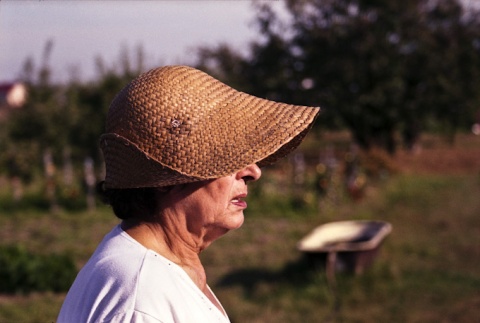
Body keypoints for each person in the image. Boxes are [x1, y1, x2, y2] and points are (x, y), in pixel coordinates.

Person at [57, 65, 320, 322]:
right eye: (227, 157)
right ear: (163, 180)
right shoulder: (142, 302)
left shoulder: (157, 271)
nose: (253, 171)